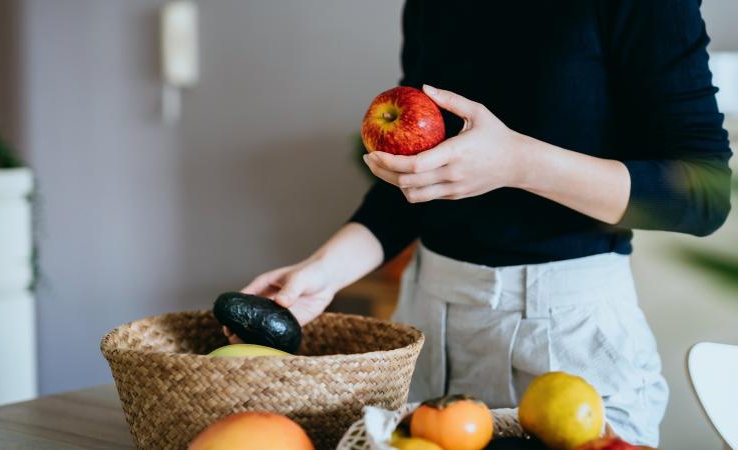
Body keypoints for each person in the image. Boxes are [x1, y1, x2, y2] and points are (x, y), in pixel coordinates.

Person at [234, 0, 733, 446]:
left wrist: (519, 163)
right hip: (428, 322)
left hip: (568, 341)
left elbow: (702, 194)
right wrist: (325, 271)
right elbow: (417, 184)